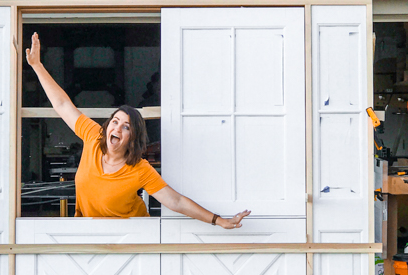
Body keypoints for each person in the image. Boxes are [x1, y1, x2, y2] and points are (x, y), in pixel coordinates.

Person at [25, 33, 250, 229]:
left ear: (132, 138)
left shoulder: (140, 169)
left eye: (126, 127)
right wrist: (37, 65)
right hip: (89, 231)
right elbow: (63, 105)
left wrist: (219, 220)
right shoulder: (94, 136)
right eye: (115, 121)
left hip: (133, 236)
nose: (117, 128)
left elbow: (176, 202)